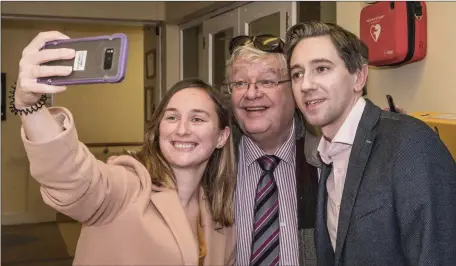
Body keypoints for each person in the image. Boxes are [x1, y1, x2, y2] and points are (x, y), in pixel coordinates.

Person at [13, 31, 236, 266]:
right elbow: (70, 178)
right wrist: (29, 106)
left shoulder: (221, 216)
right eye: (171, 117)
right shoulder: (128, 187)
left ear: (222, 136)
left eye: (198, 119)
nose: (182, 130)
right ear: (158, 129)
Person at [285, 21, 456, 266]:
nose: (306, 85)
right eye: (297, 74)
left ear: (359, 77)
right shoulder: (327, 155)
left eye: (321, 68)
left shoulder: (410, 143)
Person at [225, 34, 321, 266]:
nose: (251, 93)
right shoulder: (212, 162)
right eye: (239, 83)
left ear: (294, 91)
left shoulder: (326, 159)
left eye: (267, 82)